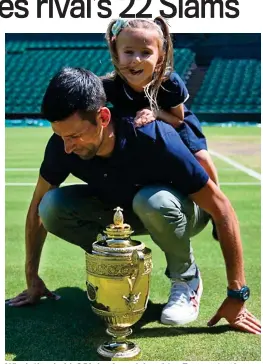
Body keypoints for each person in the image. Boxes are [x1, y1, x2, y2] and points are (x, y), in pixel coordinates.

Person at [6, 68, 260, 335]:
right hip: (121, 211)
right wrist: (32, 277)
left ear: (103, 117)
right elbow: (37, 209)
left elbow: (223, 209)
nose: (68, 147)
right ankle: (119, 270)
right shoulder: (62, 145)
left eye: (75, 136)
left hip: (181, 211)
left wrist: (237, 294)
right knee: (51, 205)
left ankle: (186, 279)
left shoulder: (154, 138)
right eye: (61, 136)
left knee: (152, 201)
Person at [103, 17, 219, 240]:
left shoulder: (170, 82)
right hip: (138, 127)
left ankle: (217, 208)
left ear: (160, 57)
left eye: (145, 53)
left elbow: (179, 120)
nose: (136, 60)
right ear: (116, 53)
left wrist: (155, 112)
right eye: (128, 52)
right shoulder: (111, 86)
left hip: (172, 120)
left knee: (202, 158)